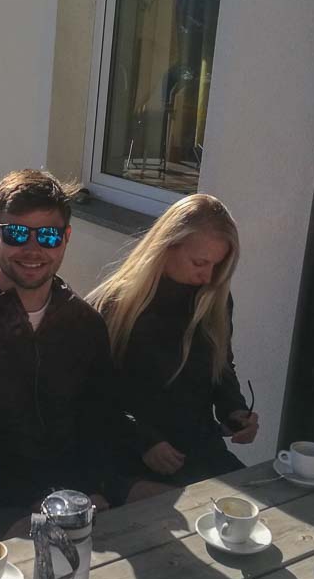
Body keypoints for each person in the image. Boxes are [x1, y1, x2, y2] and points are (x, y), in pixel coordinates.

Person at [0, 170, 161, 551]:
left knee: (165, 509)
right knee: (54, 549)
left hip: (74, 494)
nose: (33, 249)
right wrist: (40, 508)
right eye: (16, 234)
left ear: (65, 239)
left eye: (48, 236)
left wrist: (96, 486)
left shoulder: (83, 324)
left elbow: (100, 421)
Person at [87, 194, 259, 486]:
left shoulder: (213, 299)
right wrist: (142, 440)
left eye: (218, 266)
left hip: (200, 451)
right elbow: (93, 393)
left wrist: (234, 410)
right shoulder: (116, 304)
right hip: (129, 460)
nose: (208, 277)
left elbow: (220, 366)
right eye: (200, 263)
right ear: (167, 246)